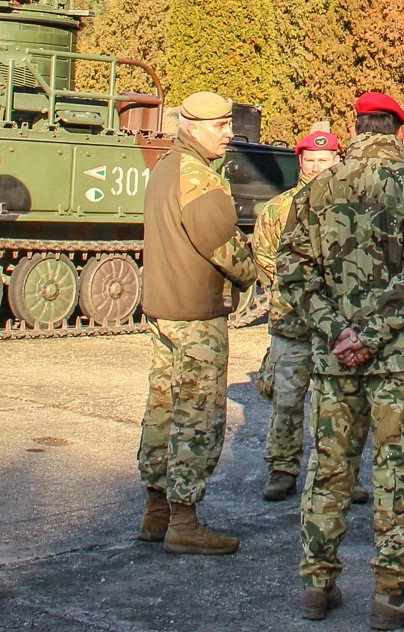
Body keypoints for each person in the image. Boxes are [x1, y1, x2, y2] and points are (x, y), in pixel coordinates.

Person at [279, 92, 404, 629]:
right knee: (394, 475)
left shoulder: (318, 191)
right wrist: (372, 336)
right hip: (398, 362)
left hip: (334, 362)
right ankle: (393, 595)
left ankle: (317, 586)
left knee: (328, 471)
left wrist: (338, 334)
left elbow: (294, 271)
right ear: (398, 131)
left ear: (356, 130)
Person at [135, 90, 258, 556]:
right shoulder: (200, 179)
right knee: (199, 415)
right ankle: (184, 521)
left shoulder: (165, 168)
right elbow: (224, 247)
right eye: (220, 126)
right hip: (197, 316)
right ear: (191, 128)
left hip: (165, 310)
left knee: (162, 409)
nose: (229, 133)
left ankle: (156, 512)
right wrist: (255, 272)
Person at [252, 126, 368, 506]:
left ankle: (340, 475)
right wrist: (297, 290)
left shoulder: (352, 207)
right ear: (301, 161)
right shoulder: (278, 209)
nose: (317, 167)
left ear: (338, 161)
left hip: (336, 323)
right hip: (291, 320)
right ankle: (283, 469)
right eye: (311, 160)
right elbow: (265, 256)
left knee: (337, 403)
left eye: (325, 160)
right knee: (287, 399)